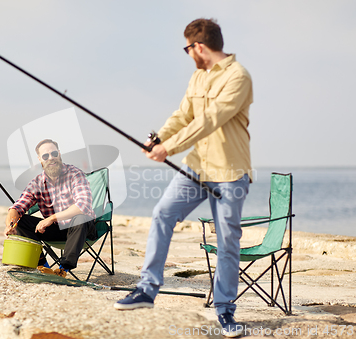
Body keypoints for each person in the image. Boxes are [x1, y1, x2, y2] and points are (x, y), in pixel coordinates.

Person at [114, 18, 253, 338]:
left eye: (188, 47)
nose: (188, 53)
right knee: (162, 213)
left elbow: (211, 119)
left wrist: (169, 148)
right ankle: (147, 290)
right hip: (196, 168)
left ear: (199, 46)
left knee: (227, 242)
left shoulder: (238, 76)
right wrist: (159, 138)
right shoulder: (197, 77)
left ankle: (225, 312)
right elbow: (184, 115)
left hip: (230, 173)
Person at [4, 139, 97, 275]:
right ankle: (43, 266)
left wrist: (51, 218)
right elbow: (17, 207)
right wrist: (9, 225)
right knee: (20, 222)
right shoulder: (36, 183)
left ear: (59, 154)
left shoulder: (75, 174)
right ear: (40, 159)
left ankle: (63, 268)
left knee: (80, 218)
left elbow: (83, 206)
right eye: (46, 156)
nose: (51, 158)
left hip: (82, 228)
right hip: (56, 230)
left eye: (54, 153)